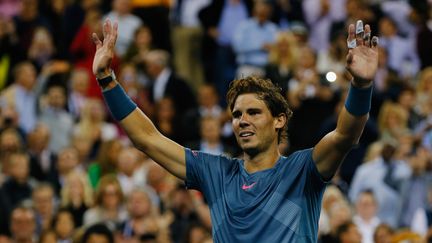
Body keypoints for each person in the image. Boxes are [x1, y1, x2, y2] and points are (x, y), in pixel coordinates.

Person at [92, 19, 379, 242]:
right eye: (237, 114)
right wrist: (107, 81)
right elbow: (147, 139)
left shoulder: (303, 171)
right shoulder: (215, 173)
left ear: (279, 120)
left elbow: (345, 135)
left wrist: (361, 86)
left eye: (253, 112)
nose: (242, 120)